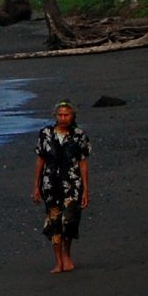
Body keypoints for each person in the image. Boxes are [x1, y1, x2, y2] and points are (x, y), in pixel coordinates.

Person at [33, 99, 91, 274]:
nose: (63, 118)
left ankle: (67, 253)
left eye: (66, 115)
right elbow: (40, 159)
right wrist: (36, 186)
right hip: (50, 184)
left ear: (73, 116)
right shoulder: (45, 134)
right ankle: (58, 261)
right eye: (60, 115)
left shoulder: (79, 135)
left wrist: (86, 189)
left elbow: (83, 163)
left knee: (70, 220)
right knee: (54, 222)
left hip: (72, 184)